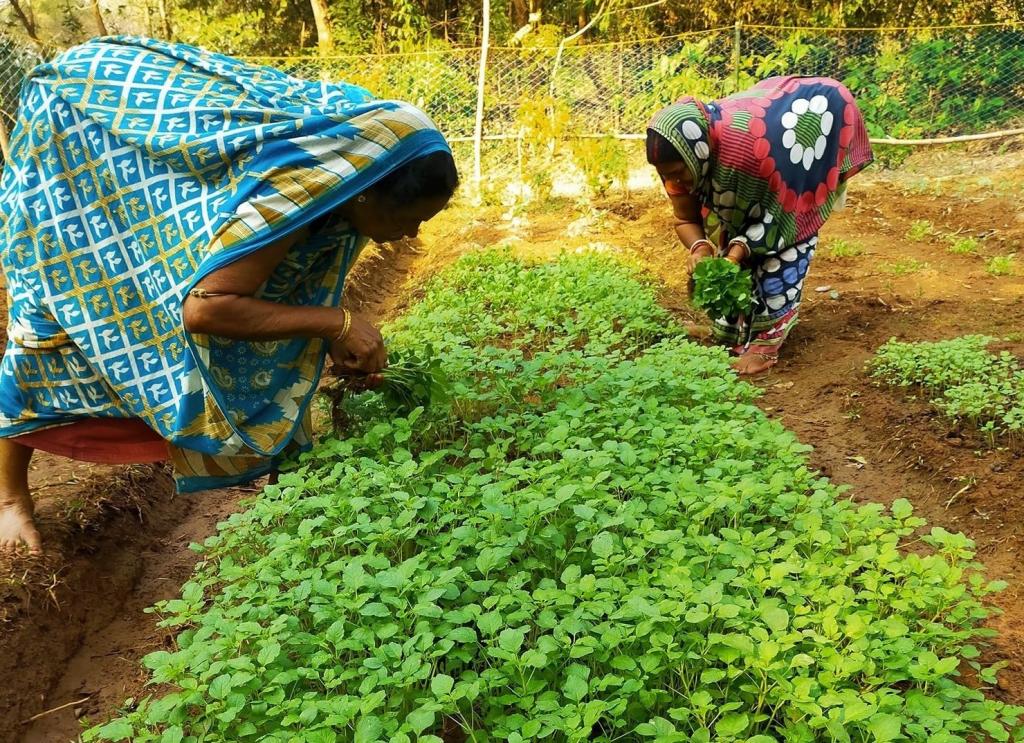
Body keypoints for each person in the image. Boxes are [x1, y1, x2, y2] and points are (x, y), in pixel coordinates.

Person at [0, 37, 459, 553]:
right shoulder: (287, 193)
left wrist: (330, 328)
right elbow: (205, 308)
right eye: (410, 219)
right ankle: (10, 500)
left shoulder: (363, 152)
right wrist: (338, 323)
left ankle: (296, 509)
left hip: (147, 175)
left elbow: (292, 281)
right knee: (56, 324)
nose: (413, 235)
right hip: (76, 147)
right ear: (368, 191)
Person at [646, 76, 872, 375]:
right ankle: (730, 334)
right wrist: (700, 250)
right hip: (757, 144)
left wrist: (736, 252)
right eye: (669, 176)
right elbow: (685, 217)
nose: (676, 182)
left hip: (806, 134)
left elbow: (777, 219)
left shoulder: (746, 153)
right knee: (733, 270)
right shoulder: (681, 155)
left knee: (783, 252)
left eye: (679, 174)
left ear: (698, 154)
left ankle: (766, 345)